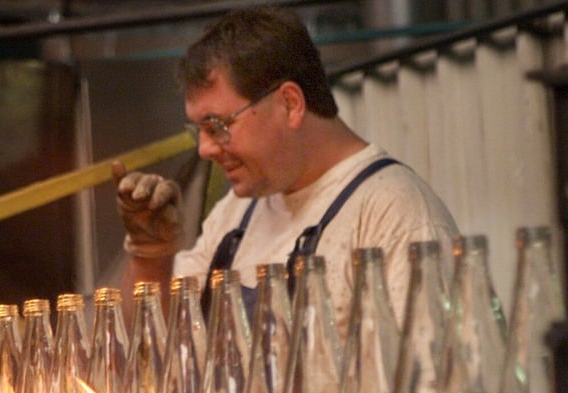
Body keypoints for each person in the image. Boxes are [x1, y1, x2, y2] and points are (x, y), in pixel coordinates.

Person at [113, 6, 458, 337]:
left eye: (217, 125)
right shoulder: (236, 213)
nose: (204, 149)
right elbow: (151, 352)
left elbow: (431, 388)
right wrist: (149, 255)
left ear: (290, 104)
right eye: (198, 130)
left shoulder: (395, 217)